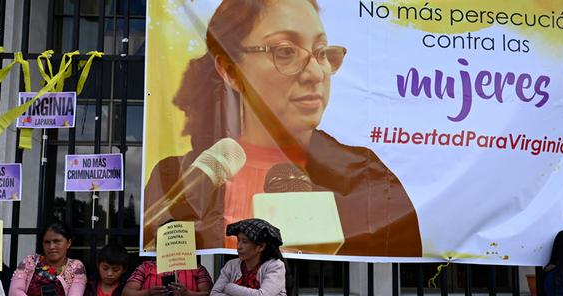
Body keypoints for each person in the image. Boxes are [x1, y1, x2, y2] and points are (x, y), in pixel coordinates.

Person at [143, 0, 422, 257]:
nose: (315, 74)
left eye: (322, 53)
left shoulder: (369, 179)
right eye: (286, 51)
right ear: (229, 70)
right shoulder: (175, 178)